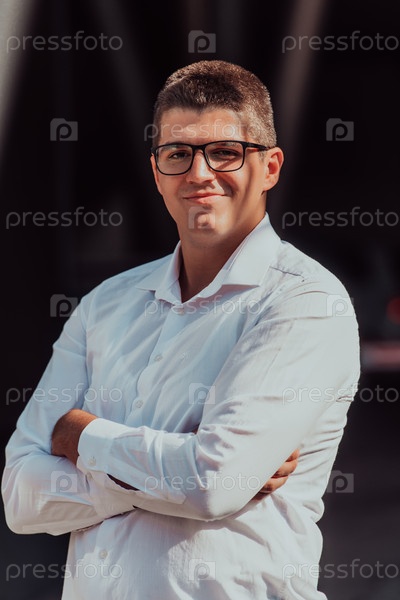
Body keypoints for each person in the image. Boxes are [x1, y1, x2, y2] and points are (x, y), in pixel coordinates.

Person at [2, 60, 360, 599]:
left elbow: (212, 485)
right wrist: (174, 471)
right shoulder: (105, 304)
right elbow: (20, 498)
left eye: (225, 152)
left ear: (270, 167)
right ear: (157, 172)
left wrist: (81, 437)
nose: (199, 173)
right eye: (178, 154)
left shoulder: (306, 301)